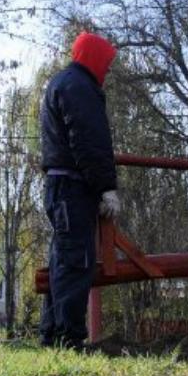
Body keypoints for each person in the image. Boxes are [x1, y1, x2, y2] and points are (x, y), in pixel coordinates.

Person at [39, 31, 119, 348]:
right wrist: (106, 188)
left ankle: (52, 334)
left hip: (62, 185)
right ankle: (69, 338)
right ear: (95, 58)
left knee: (63, 260)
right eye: (107, 63)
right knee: (77, 262)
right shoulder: (80, 88)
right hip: (73, 187)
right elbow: (89, 142)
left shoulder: (64, 83)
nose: (109, 70)